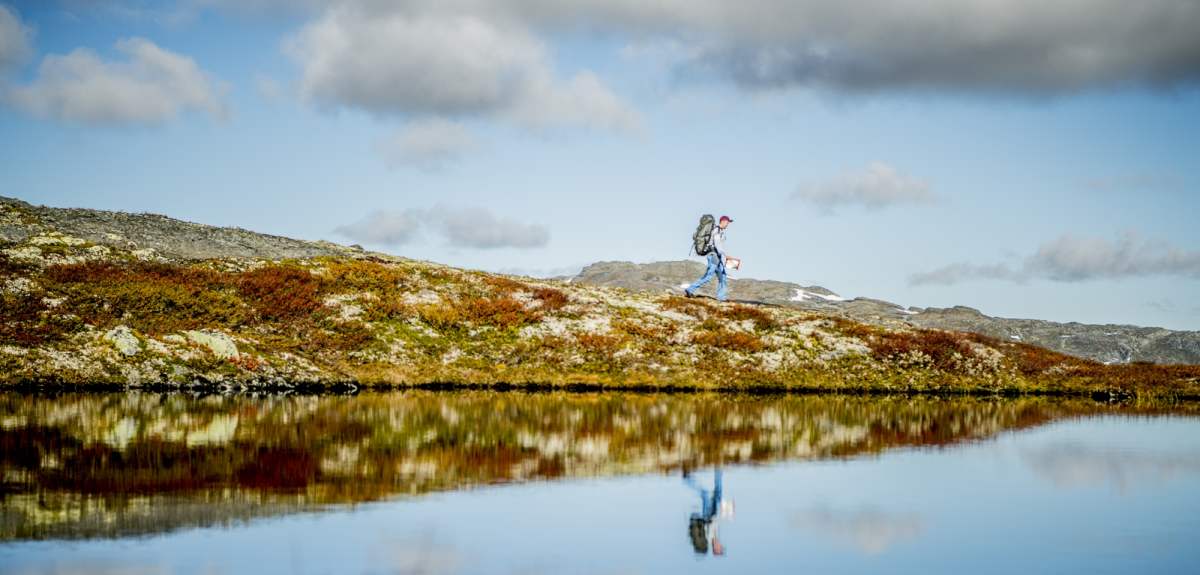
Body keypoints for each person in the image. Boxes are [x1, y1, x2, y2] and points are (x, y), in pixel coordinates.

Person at [685, 215, 736, 302]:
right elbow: (718, 245)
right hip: (713, 256)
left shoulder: (719, 231)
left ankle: (721, 297)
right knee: (708, 276)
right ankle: (690, 289)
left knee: (723, 276)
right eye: (727, 222)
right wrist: (725, 255)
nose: (728, 224)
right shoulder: (716, 230)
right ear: (723, 221)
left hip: (716, 257)